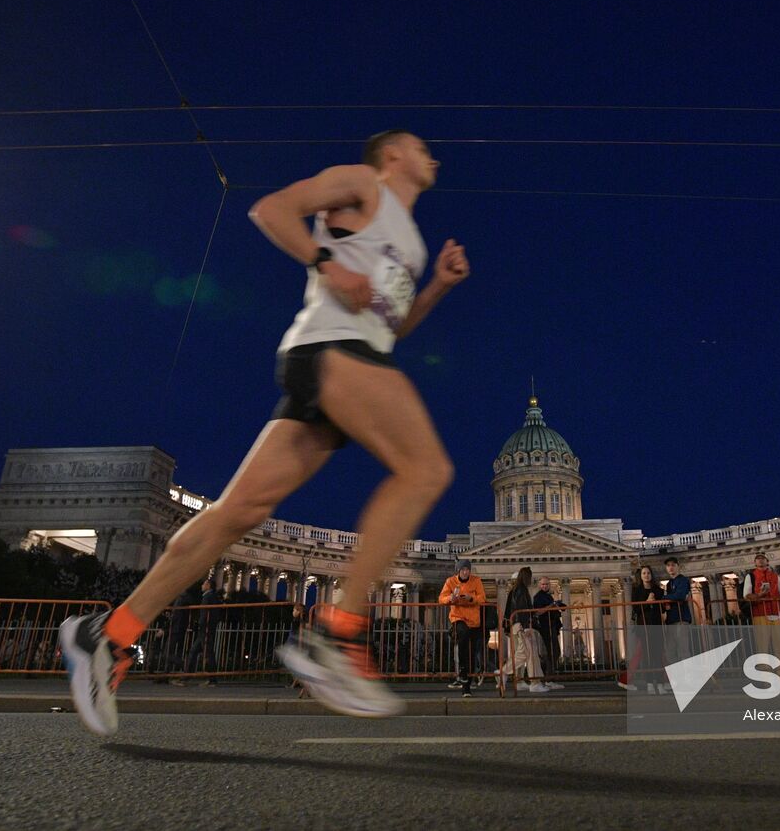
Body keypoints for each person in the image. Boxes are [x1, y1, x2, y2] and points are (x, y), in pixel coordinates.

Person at [59, 130, 469, 735]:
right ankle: (338, 634)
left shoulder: (409, 238)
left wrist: (437, 285)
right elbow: (271, 209)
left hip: (354, 356)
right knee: (426, 469)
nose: (432, 154)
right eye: (420, 145)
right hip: (333, 351)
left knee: (237, 511)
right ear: (391, 156)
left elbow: (392, 328)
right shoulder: (362, 185)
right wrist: (324, 261)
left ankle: (108, 634)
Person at [501, 567, 554, 693]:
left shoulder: (516, 590)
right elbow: (521, 611)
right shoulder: (520, 590)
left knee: (528, 653)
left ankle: (526, 681)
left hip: (517, 626)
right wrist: (526, 627)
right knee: (528, 653)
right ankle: (508, 674)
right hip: (521, 626)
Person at [441, 560, 487, 697]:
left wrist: (471, 598)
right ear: (458, 571)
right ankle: (462, 670)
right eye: (463, 570)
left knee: (471, 653)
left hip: (474, 621)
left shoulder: (476, 581)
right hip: (458, 618)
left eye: (467, 569)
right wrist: (451, 598)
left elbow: (482, 598)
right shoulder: (450, 581)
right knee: (463, 636)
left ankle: (466, 687)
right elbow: (441, 598)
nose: (466, 572)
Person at [743, 554, 780, 678]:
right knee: (763, 648)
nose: (761, 560)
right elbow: (746, 595)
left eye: (763, 559)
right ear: (755, 563)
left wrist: (777, 597)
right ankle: (765, 679)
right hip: (760, 614)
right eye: (758, 559)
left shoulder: (775, 576)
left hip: (775, 614)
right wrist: (760, 595)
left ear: (767, 562)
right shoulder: (751, 576)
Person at [627, 565, 666, 693]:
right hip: (643, 626)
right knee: (647, 655)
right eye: (644, 573)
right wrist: (647, 602)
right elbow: (636, 609)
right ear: (641, 575)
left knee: (658, 654)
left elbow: (663, 608)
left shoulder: (658, 590)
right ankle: (649, 683)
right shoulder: (637, 591)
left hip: (656, 625)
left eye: (648, 572)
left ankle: (660, 683)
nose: (646, 575)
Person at [531, 576, 566, 674]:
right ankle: (548, 676)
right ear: (539, 585)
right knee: (552, 652)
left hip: (552, 626)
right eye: (543, 584)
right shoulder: (538, 597)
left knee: (555, 651)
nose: (545, 586)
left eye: (546, 584)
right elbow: (537, 612)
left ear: (549, 585)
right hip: (545, 627)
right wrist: (552, 605)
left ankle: (550, 675)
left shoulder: (548, 596)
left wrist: (557, 605)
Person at [663, 557, 694, 666]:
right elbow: (676, 597)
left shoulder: (683, 580)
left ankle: (688, 677)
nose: (670, 567)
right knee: (670, 651)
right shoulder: (668, 584)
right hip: (671, 619)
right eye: (668, 565)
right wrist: (669, 598)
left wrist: (665, 597)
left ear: (677, 566)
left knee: (683, 650)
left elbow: (680, 595)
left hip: (682, 618)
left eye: (673, 565)